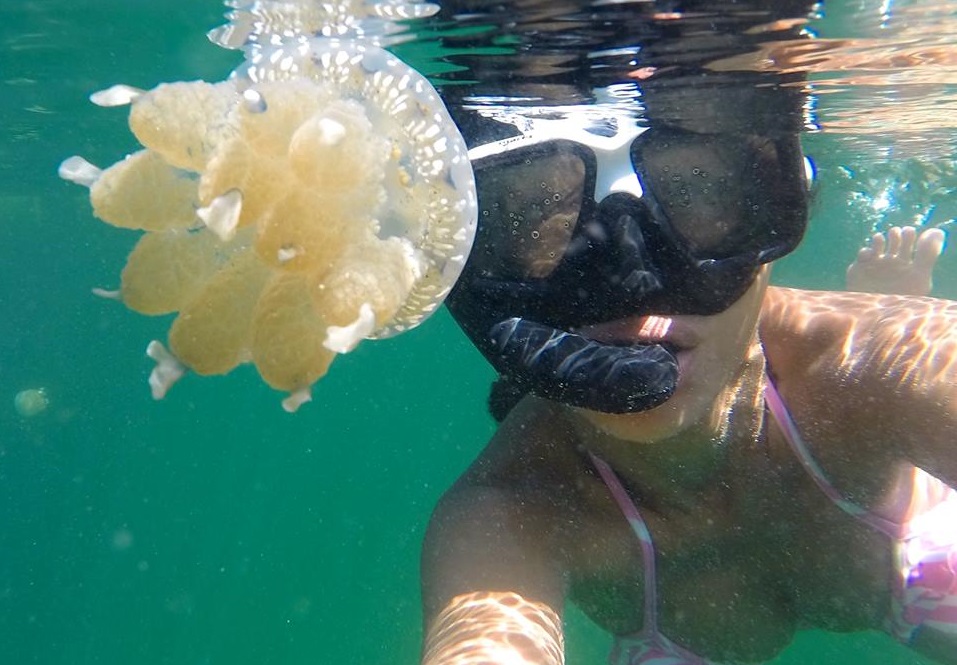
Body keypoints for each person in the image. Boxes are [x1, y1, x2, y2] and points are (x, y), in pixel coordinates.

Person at [418, 125, 957, 665]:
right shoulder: (517, 505)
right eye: (538, 212)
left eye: (699, 190)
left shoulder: (880, 358)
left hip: (904, 535)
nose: (632, 277)